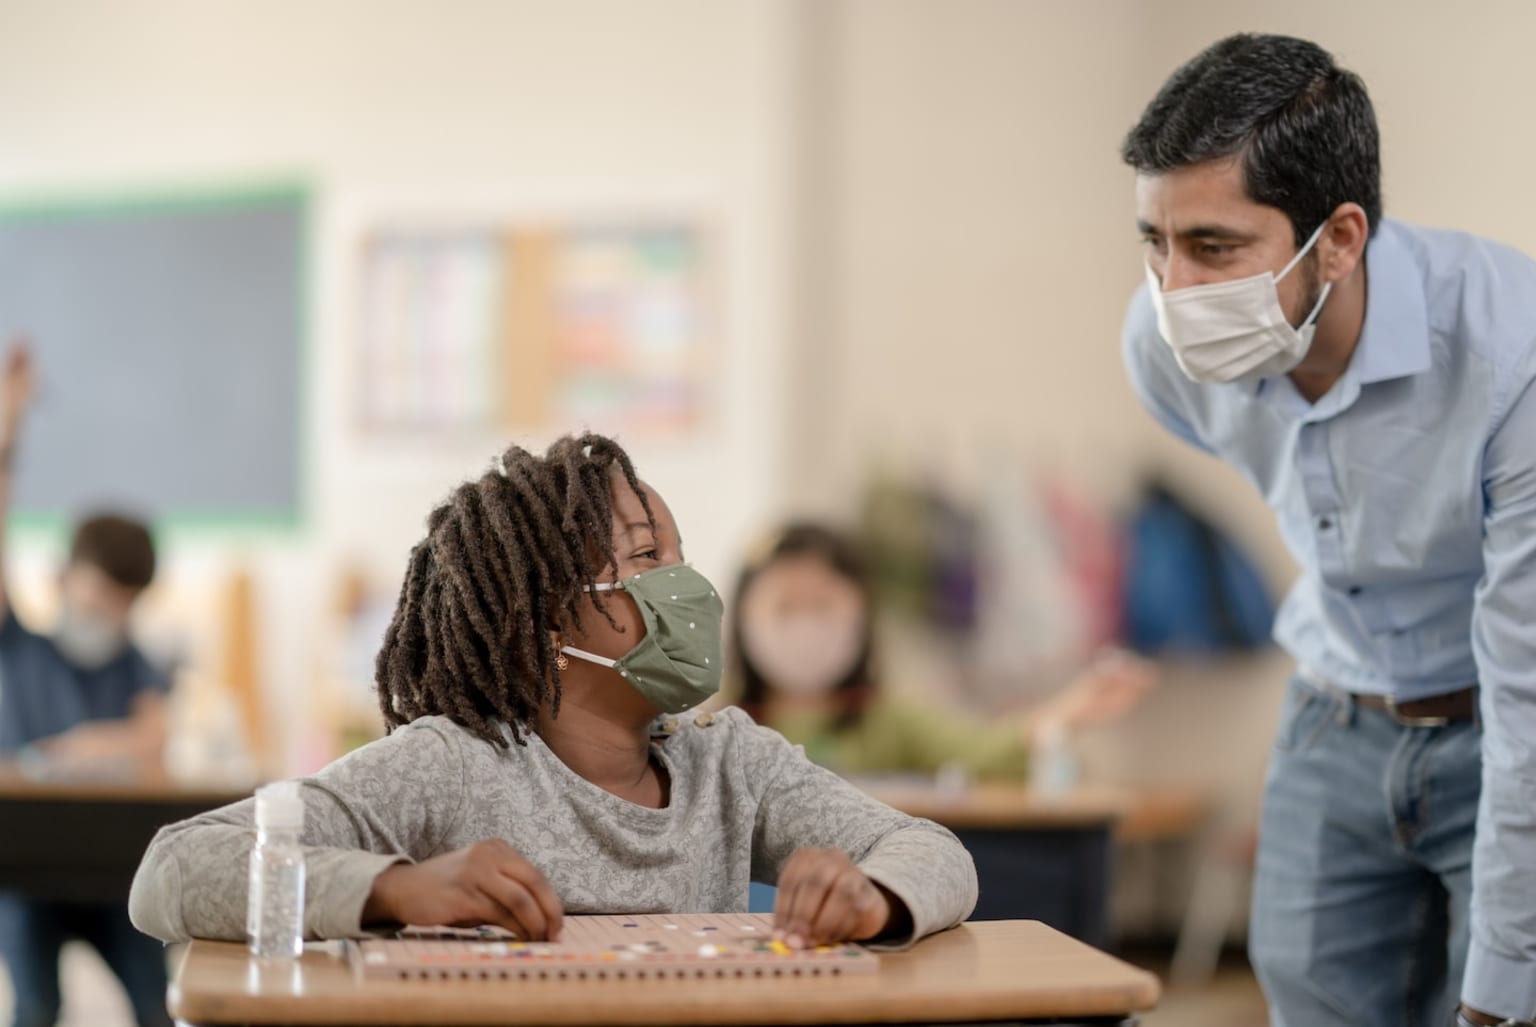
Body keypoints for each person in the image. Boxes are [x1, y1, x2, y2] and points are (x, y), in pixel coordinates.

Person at [130, 435, 977, 953]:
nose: (687, 586)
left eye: (680, 555)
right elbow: (170, 871)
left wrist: (875, 896)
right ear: (538, 621)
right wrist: (392, 890)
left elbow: (935, 853)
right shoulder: (454, 766)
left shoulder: (737, 767)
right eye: (647, 559)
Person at [1121, 34, 1536, 1027]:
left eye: (1214, 247)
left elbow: (1529, 678)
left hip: (1500, 726)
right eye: (1155, 241)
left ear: (1341, 237)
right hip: (1332, 714)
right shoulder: (1164, 349)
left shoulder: (1510, 353)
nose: (1175, 290)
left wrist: (1506, 979)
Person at [0, 340, 172, 1027]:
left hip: (115, 881)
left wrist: (81, 747)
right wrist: (10, 426)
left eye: (124, 606)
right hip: (26, 879)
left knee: (159, 1007)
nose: (109, 619)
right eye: (99, 599)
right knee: (37, 1005)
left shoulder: (137, 664)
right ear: (61, 578)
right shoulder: (19, 647)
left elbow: (154, 738)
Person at [732, 522, 1154, 782]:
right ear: (743, 617)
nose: (805, 624)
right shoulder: (710, 725)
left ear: (863, 615)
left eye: (823, 606)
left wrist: (1070, 710)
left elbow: (984, 752)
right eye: (786, 607)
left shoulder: (889, 721)